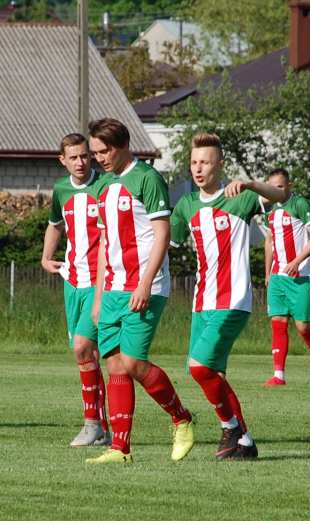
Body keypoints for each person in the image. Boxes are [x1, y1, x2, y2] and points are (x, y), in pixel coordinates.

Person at [170, 133, 287, 459]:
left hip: (233, 300)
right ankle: (244, 441)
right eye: (194, 162)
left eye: (205, 162)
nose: (198, 168)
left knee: (198, 367)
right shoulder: (186, 206)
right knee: (211, 374)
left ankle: (230, 425)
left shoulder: (239, 198)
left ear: (219, 165)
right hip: (201, 302)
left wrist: (250, 184)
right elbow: (168, 238)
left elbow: (280, 193)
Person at [85, 118, 194, 464]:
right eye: (95, 153)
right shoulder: (102, 186)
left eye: (105, 151)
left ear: (123, 145)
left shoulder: (147, 178)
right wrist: (99, 297)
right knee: (116, 365)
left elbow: (162, 233)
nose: (99, 158)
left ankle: (182, 419)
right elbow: (105, 244)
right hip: (113, 289)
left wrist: (146, 282)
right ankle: (120, 448)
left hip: (145, 285)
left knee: (132, 362)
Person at [41, 133, 110, 447]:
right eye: (74, 157)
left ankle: (92, 423)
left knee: (84, 347)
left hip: (102, 282)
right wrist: (45, 257)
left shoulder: (105, 186)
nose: (81, 162)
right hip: (73, 281)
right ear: (63, 160)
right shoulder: (61, 189)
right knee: (87, 355)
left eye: (85, 156)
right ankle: (102, 426)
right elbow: (55, 224)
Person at [262, 168, 310, 387]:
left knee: (303, 327)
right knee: (278, 322)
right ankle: (278, 375)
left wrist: (296, 261)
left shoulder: (299, 204)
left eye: (280, 186)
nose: (277, 191)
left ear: (289, 186)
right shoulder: (270, 211)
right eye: (273, 187)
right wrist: (267, 272)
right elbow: (270, 241)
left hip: (302, 275)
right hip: (278, 276)